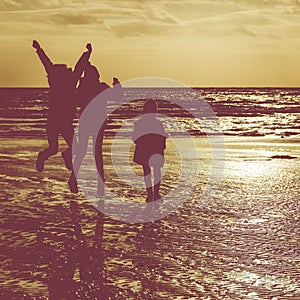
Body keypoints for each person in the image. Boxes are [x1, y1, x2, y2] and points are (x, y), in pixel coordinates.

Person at [32, 40, 92, 173]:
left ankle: (65, 155)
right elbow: (77, 67)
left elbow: (78, 67)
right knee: (54, 148)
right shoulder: (68, 81)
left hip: (60, 120)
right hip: (58, 120)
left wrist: (87, 54)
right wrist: (87, 53)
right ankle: (45, 156)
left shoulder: (65, 81)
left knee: (58, 148)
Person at [68, 60, 122, 195]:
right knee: (96, 153)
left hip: (86, 121)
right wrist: (117, 86)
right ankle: (99, 185)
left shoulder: (83, 87)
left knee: (82, 151)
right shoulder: (101, 87)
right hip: (97, 122)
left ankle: (75, 179)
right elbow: (118, 98)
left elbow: (76, 102)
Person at [132, 99, 168, 202]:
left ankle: (150, 194)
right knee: (156, 171)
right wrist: (162, 148)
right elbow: (163, 137)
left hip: (145, 150)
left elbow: (134, 137)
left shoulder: (140, 123)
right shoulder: (158, 124)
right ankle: (155, 193)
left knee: (147, 172)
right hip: (155, 150)